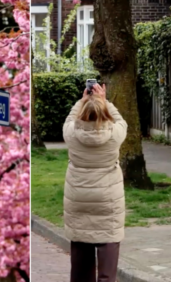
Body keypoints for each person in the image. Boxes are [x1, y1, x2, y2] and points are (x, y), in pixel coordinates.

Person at [62, 83, 127, 282]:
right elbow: (121, 121)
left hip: (79, 197)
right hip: (108, 199)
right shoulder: (114, 134)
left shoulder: (71, 133)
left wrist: (82, 101)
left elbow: (69, 120)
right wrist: (104, 100)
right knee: (108, 249)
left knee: (81, 254)